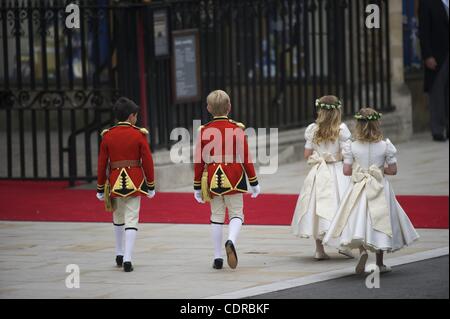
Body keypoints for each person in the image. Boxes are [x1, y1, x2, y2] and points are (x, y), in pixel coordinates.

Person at [323, 108, 420, 274]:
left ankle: (362, 252)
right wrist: (379, 171)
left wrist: (360, 170)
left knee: (359, 218)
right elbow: (393, 170)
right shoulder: (385, 146)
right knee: (379, 219)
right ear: (377, 124)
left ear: (358, 125)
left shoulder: (351, 147)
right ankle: (380, 263)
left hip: (359, 187)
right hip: (379, 186)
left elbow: (346, 171)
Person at [193, 90, 260, 270]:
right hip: (235, 177)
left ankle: (217, 257)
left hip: (213, 177)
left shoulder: (204, 131)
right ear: (229, 107)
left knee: (216, 217)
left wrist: (197, 185)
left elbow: (199, 160)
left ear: (208, 108)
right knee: (237, 214)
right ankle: (231, 239)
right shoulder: (236, 129)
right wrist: (253, 181)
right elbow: (246, 157)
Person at [96, 97, 156, 272]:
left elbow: (102, 164)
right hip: (135, 182)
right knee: (132, 219)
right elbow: (147, 161)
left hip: (115, 182)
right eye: (135, 116)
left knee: (118, 218)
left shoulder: (108, 135)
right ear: (131, 116)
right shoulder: (139, 134)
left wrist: (100, 187)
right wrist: (150, 185)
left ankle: (119, 253)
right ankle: (128, 258)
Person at [291, 95, 353, 260]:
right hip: (337, 171)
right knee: (340, 206)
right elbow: (347, 154)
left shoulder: (313, 129)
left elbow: (306, 153)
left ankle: (319, 249)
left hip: (319, 171)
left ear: (320, 110)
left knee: (316, 208)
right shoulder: (342, 129)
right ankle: (344, 244)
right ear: (337, 111)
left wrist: (318, 154)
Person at [418, 0, 449, 141]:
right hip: (437, 56)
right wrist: (427, 55)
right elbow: (423, 31)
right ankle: (437, 130)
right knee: (437, 95)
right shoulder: (427, 2)